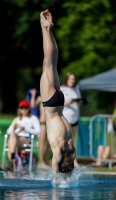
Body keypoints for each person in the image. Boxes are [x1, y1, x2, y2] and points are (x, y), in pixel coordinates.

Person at [40, 9, 77, 177]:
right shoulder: (60, 148)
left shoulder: (71, 149)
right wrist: (56, 179)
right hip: (52, 106)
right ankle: (44, 27)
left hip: (59, 104)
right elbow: (56, 167)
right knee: (48, 62)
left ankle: (49, 29)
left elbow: (69, 169)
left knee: (53, 62)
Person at [6, 100, 41, 171]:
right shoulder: (17, 119)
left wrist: (25, 128)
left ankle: (10, 162)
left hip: (26, 139)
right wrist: (14, 128)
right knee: (12, 136)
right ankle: (11, 162)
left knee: (11, 141)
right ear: (19, 109)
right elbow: (8, 131)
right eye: (22, 107)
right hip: (16, 139)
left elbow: (38, 131)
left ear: (29, 108)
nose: (24, 109)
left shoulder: (33, 118)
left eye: (26, 107)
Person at [60, 72, 82, 166]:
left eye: (73, 79)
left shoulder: (77, 89)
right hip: (65, 117)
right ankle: (62, 158)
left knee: (72, 140)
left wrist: (78, 102)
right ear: (67, 79)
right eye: (70, 79)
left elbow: (79, 103)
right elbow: (59, 103)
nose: (72, 81)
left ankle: (73, 159)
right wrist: (68, 102)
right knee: (64, 140)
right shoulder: (62, 89)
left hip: (74, 118)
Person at [30, 88, 51, 168]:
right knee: (42, 143)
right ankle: (41, 162)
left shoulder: (52, 97)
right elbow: (32, 105)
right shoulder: (40, 98)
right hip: (42, 123)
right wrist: (33, 95)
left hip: (50, 123)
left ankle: (46, 161)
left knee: (50, 143)